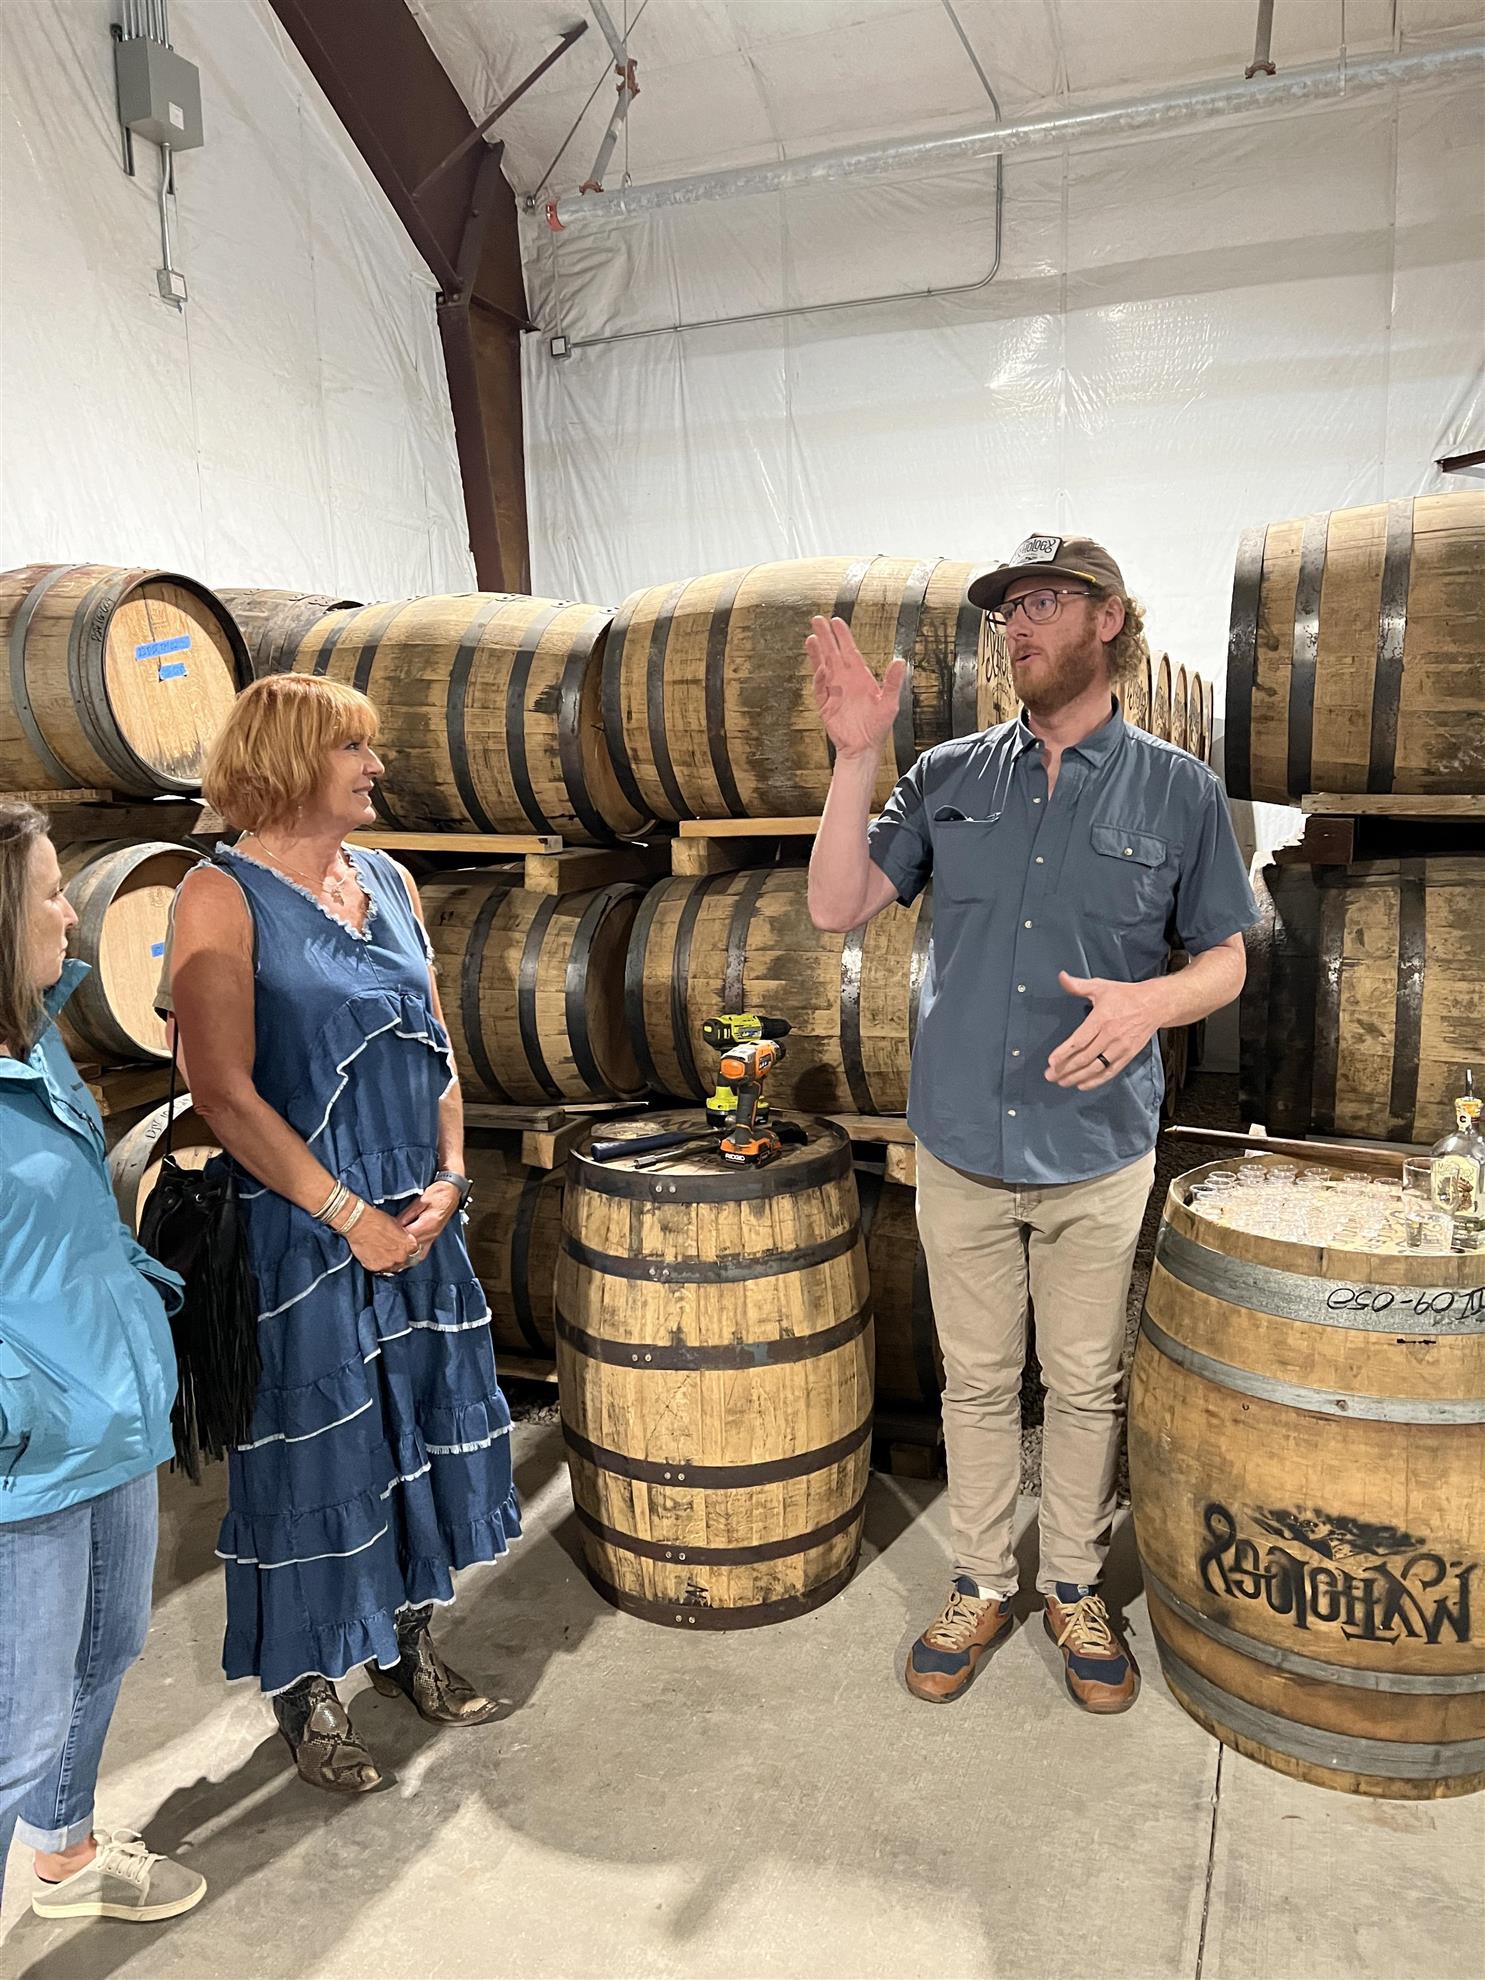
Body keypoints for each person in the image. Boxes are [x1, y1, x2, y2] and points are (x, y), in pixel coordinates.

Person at [806, 535, 1256, 1714]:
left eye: (1046, 602)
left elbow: (1225, 959)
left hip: (1098, 1148)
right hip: (962, 1139)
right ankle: (980, 1581)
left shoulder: (1179, 789)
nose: (1018, 625)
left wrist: (1151, 1004)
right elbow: (836, 902)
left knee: (1086, 1382)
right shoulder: (950, 774)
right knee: (977, 1381)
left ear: (1109, 620)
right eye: (1009, 608)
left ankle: (1072, 1586)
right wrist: (855, 759)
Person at [167, 675, 519, 1792]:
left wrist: (451, 1177)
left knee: (412, 1425)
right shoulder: (217, 896)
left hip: (414, 1215)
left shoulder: (388, 878)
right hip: (304, 1231)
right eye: (351, 749)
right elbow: (222, 1093)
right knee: (311, 1458)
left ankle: (408, 1641)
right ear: (284, 763)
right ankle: (307, 1686)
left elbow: (436, 1044)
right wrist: (347, 1215)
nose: (375, 767)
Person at [0, 802, 206, 1925]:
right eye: (47, 894)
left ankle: (65, 1855)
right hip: (26, 1453)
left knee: (108, 1647)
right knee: (14, 1727)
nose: (70, 914)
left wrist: (139, 1291)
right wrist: (17, 1405)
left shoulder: (32, 1037)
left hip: (110, 1412)